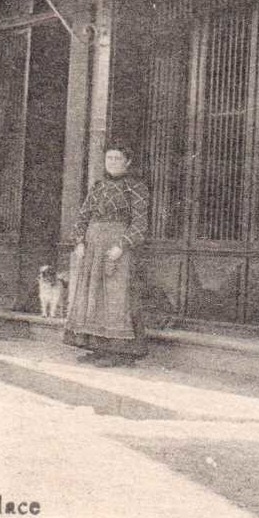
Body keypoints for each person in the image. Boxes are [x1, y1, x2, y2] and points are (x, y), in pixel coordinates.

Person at [64, 144, 151, 366]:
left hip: (117, 250)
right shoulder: (98, 186)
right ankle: (98, 347)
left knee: (115, 296)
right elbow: (84, 215)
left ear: (127, 162)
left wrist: (122, 245)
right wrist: (79, 241)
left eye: (117, 158)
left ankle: (119, 352)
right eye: (109, 158)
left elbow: (140, 224)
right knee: (93, 295)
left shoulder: (136, 187)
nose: (112, 162)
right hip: (93, 248)